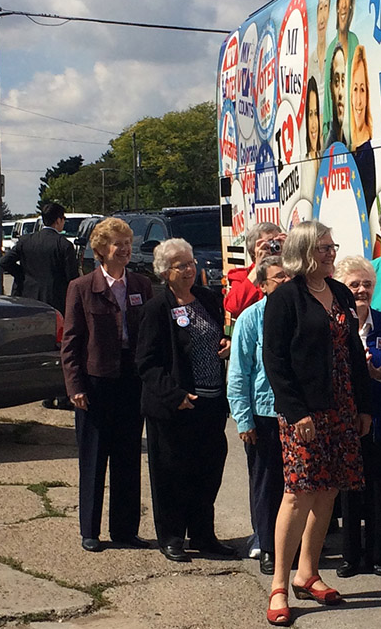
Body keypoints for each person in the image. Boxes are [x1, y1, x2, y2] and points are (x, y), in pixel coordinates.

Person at [261, 221, 372, 626]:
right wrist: (296, 411)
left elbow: (353, 354)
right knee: (298, 493)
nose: (331, 253)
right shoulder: (286, 298)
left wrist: (363, 406)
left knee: (328, 490)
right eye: (324, 247)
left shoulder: (339, 292)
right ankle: (279, 583)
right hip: (304, 411)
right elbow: (275, 361)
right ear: (306, 250)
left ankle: (308, 573)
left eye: (332, 246)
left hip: (341, 406)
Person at [136, 238, 237, 563]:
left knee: (208, 472)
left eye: (192, 262)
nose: (191, 269)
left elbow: (214, 336)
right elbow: (147, 362)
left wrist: (225, 344)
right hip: (175, 406)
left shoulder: (208, 299)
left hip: (210, 405)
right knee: (172, 475)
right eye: (182, 265)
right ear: (166, 271)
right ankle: (173, 537)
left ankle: (204, 536)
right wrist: (174, 395)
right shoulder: (156, 308)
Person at [61, 217, 153, 553]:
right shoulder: (82, 287)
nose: (126, 249)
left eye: (128, 243)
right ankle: (90, 530)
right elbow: (70, 343)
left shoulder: (141, 285)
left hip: (132, 381)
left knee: (128, 457)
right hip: (96, 383)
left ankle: (125, 530)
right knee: (95, 457)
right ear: (101, 250)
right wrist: (75, 388)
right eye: (118, 244)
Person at [333, 255, 381, 579]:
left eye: (367, 284)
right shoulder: (334, 323)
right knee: (350, 490)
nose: (361, 290)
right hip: (345, 423)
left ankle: (377, 555)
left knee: (377, 489)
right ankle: (350, 556)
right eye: (354, 285)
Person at [228, 256, 290, 576]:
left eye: (289, 276)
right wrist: (243, 418)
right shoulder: (251, 319)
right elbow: (238, 372)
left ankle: (295, 545)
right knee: (267, 484)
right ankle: (267, 545)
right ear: (263, 286)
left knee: (297, 486)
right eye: (279, 277)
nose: (286, 281)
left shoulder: (300, 314)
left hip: (296, 413)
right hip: (263, 413)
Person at [1, 202, 78, 312]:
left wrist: (22, 274)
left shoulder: (25, 241)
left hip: (27, 297)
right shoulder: (64, 245)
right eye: (63, 218)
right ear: (58, 220)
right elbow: (72, 277)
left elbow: (4, 261)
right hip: (55, 300)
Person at [323, 0, 358, 143]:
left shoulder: (355, 43)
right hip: (336, 139)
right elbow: (328, 107)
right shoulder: (330, 50)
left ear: (352, 3)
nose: (344, 4)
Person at [224, 222, 285, 320]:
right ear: (254, 250)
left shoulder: (290, 272)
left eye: (277, 241)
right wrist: (258, 266)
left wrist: (291, 253)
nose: (275, 247)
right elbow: (234, 308)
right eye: (269, 243)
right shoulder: (241, 275)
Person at [349, 44, 376, 214]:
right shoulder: (345, 147)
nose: (359, 101)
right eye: (355, 90)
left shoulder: (369, 150)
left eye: (363, 90)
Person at [325, 45, 348, 148]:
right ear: (330, 87)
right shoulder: (329, 148)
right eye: (336, 81)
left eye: (343, 81)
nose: (340, 92)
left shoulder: (346, 142)